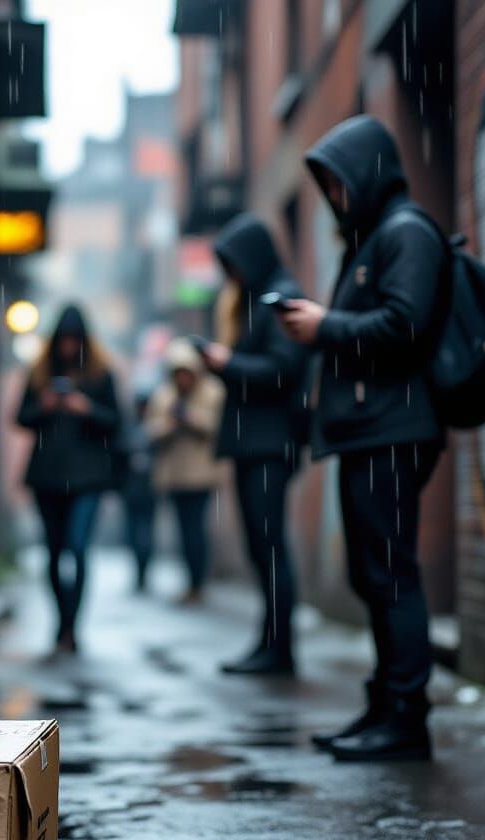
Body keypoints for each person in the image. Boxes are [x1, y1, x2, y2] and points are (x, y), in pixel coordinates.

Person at [278, 115, 447, 762]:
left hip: (394, 432)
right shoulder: (377, 236)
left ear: (369, 172)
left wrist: (324, 326)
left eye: (339, 184)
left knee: (391, 574)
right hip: (371, 432)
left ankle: (407, 720)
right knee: (373, 574)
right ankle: (385, 707)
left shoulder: (406, 233)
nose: (335, 197)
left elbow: (404, 324)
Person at [201, 214, 310, 674]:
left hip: (270, 445)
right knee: (260, 547)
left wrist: (228, 364)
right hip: (256, 445)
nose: (231, 277)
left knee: (269, 546)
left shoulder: (279, 298)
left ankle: (279, 649)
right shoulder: (257, 300)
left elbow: (284, 371)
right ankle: (270, 643)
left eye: (233, 265)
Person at [16, 304, 122, 655]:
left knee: (77, 549)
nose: (68, 347)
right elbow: (20, 417)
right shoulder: (39, 373)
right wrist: (44, 405)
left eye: (75, 340)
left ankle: (72, 628)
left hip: (88, 477)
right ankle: (61, 622)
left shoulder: (101, 375)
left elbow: (116, 422)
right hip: (47, 476)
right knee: (54, 552)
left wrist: (85, 407)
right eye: (63, 340)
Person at [145, 340, 225, 604]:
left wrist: (190, 418)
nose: (182, 379)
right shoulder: (164, 395)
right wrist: (170, 422)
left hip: (201, 475)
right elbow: (150, 431)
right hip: (173, 476)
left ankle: (198, 582)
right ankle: (192, 582)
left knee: (195, 530)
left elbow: (217, 427)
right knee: (183, 530)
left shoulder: (212, 392)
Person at [121, 391, 158, 592]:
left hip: (147, 488)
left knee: (142, 532)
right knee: (136, 532)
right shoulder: (132, 428)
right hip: (133, 489)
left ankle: (143, 571)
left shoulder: (154, 427)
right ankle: (140, 571)